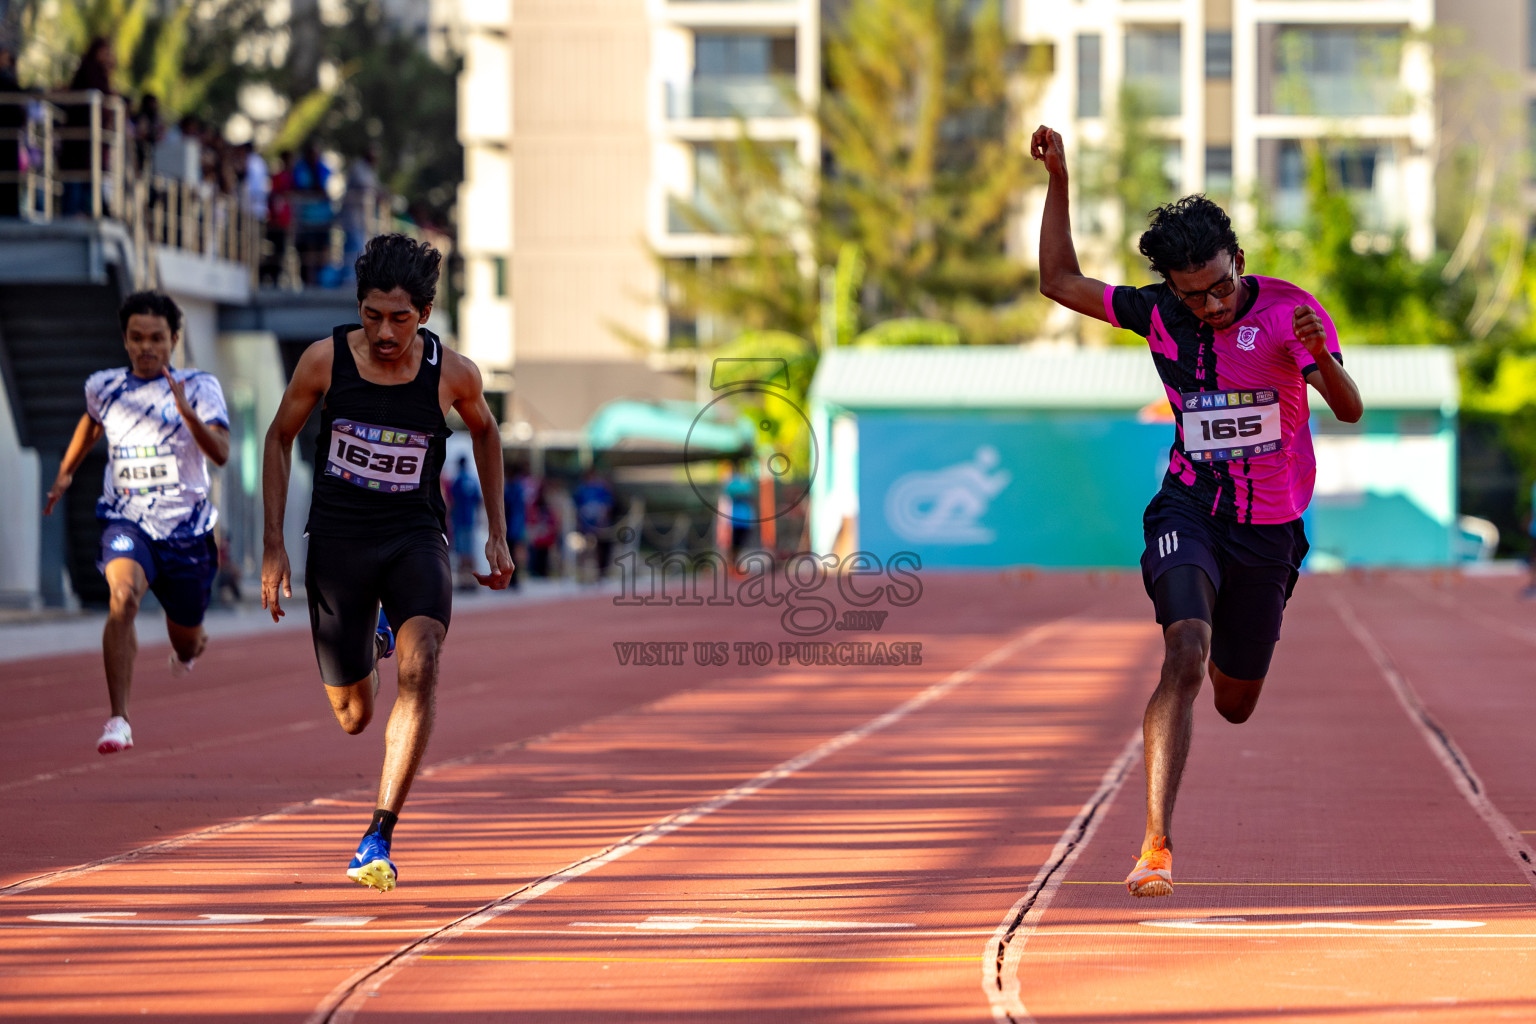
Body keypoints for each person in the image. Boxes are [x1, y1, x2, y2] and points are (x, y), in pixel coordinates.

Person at [1030, 125, 1364, 898]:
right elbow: (1058, 282)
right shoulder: (1159, 316)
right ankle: (1156, 844)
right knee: (1182, 653)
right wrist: (1060, 179)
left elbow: (1346, 411)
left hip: (1271, 528)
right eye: (1194, 295)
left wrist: (1323, 359)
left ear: (1238, 262)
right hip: (1189, 504)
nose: (1211, 306)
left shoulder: (1289, 312)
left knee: (1234, 700)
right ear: (1172, 290)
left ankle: (1226, 645)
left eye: (1220, 286)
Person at [260, 233, 513, 892]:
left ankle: (379, 832)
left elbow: (487, 433)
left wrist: (497, 532)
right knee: (353, 717)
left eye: (400, 318)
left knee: (423, 660)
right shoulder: (324, 362)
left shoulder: (453, 374)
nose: (384, 332)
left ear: (424, 315)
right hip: (338, 543)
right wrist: (273, 543)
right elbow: (279, 439)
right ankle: (370, 636)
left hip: (413, 535)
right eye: (372, 315)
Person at [43, 291, 230, 754]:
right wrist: (66, 472)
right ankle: (118, 720)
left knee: (185, 639)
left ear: (174, 339)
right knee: (122, 599)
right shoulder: (104, 386)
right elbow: (90, 425)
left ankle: (189, 647)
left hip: (186, 532)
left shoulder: (201, 386)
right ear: (125, 340)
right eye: (137, 338)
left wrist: (186, 413)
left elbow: (222, 454)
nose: (147, 347)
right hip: (127, 521)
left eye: (157, 339)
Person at [572, 467, 616, 581]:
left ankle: (601, 573)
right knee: (584, 549)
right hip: (585, 524)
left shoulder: (601, 487)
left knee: (601, 548)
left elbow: (608, 504)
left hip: (599, 524)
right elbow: (576, 506)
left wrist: (603, 519)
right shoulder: (581, 489)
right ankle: (582, 573)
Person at [447, 453, 481, 588]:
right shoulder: (472, 480)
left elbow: (452, 501)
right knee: (470, 551)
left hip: (459, 520)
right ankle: (472, 579)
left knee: (461, 552)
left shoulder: (457, 480)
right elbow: (478, 501)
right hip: (470, 519)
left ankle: (464, 580)